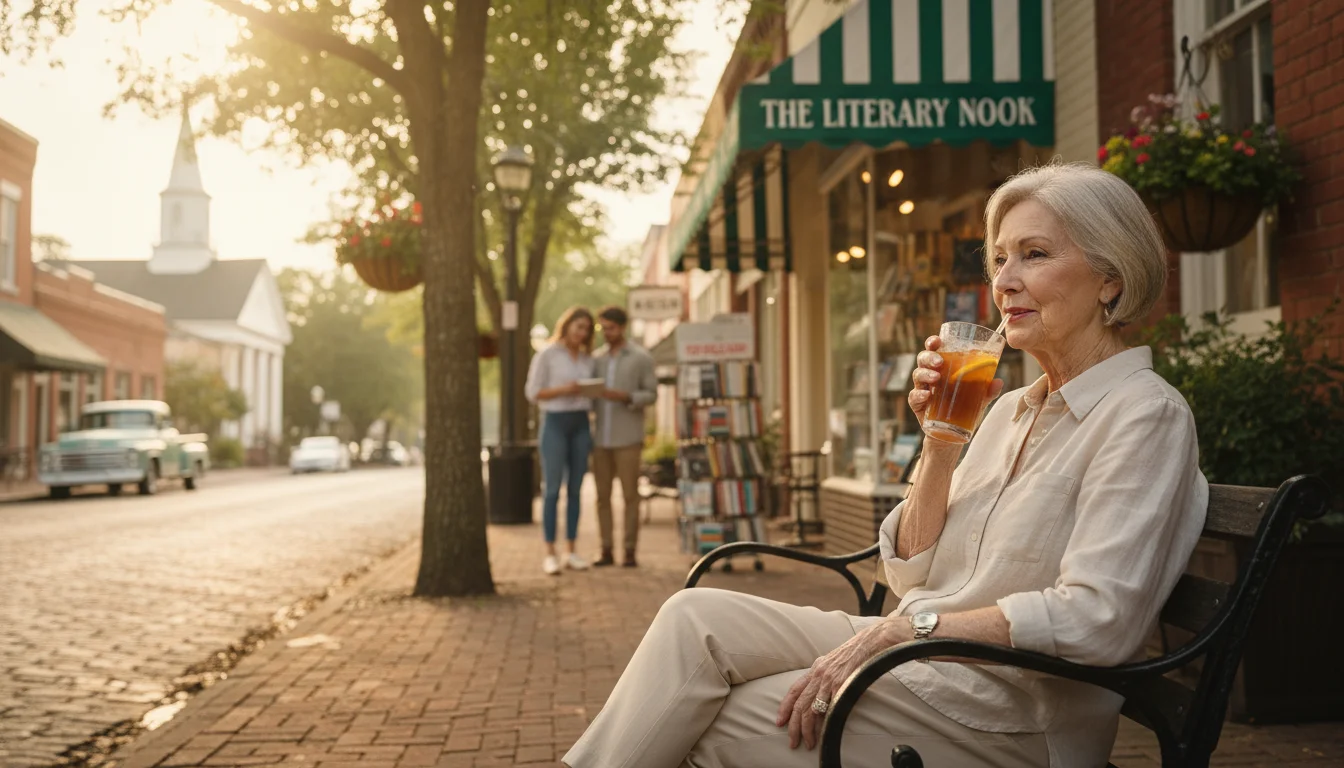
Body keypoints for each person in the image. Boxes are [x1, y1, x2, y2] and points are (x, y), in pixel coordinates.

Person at [562, 163, 1209, 768]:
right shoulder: (1011, 406)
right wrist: (939, 443)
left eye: (1034, 255)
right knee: (691, 620)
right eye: (1000, 258)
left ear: (1110, 278)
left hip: (1009, 712)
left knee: (724, 720)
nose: (1004, 281)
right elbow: (909, 566)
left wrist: (903, 631)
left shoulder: (1144, 415)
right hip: (921, 654)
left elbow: (1098, 619)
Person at [524, 306, 597, 576]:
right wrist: (565, 389)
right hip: (554, 422)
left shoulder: (589, 359)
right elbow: (532, 392)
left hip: (580, 422)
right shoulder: (547, 354)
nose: (582, 333)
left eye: (586, 329)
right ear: (566, 325)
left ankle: (571, 551)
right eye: (578, 327)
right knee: (552, 490)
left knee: (575, 490)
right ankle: (549, 553)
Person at [590, 306, 659, 567]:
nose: (606, 333)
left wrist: (627, 397)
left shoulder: (641, 358)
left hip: (628, 437)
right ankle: (605, 549)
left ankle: (629, 550)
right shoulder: (596, 359)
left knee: (630, 496)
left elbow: (652, 394)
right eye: (603, 328)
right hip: (601, 439)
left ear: (622, 327)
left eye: (610, 328)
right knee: (602, 498)